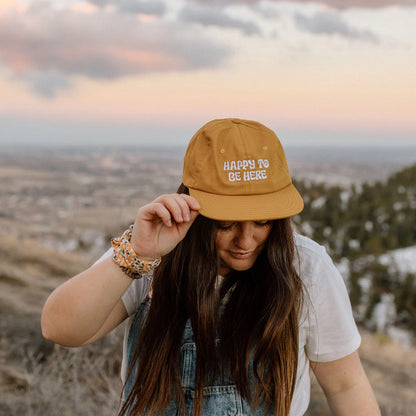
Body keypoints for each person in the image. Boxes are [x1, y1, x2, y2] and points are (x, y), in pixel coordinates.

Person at [41, 118, 380, 416]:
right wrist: (137, 253)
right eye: (226, 225)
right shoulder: (152, 252)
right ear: (196, 209)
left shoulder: (307, 268)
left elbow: (346, 386)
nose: (245, 242)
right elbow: (61, 329)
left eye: (262, 222)